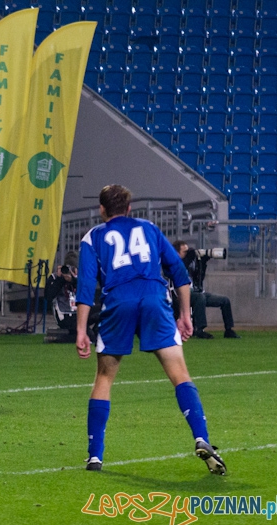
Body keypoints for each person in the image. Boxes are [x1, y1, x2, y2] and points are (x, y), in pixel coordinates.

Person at [75, 184, 226, 475]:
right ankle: (201, 436)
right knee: (179, 373)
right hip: (155, 301)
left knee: (104, 377)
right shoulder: (149, 228)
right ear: (129, 208)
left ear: (102, 209)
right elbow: (179, 272)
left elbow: (84, 288)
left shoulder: (92, 237)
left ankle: (95, 456)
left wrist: (81, 330)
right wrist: (186, 315)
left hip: (118, 302)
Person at [172, 240, 240, 339]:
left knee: (224, 300)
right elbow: (179, 272)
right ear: (177, 253)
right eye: (185, 252)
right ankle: (200, 329)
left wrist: (203, 263)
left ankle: (229, 330)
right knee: (200, 297)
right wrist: (188, 259)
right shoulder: (173, 263)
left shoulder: (191, 263)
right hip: (181, 295)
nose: (188, 254)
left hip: (196, 292)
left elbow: (199, 278)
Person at [45, 250, 99, 342]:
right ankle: (56, 340)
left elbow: (89, 292)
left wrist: (74, 280)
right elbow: (48, 296)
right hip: (66, 315)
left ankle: (95, 333)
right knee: (89, 337)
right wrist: (60, 280)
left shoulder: (81, 277)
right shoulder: (55, 277)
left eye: (73, 268)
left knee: (105, 311)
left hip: (82, 311)